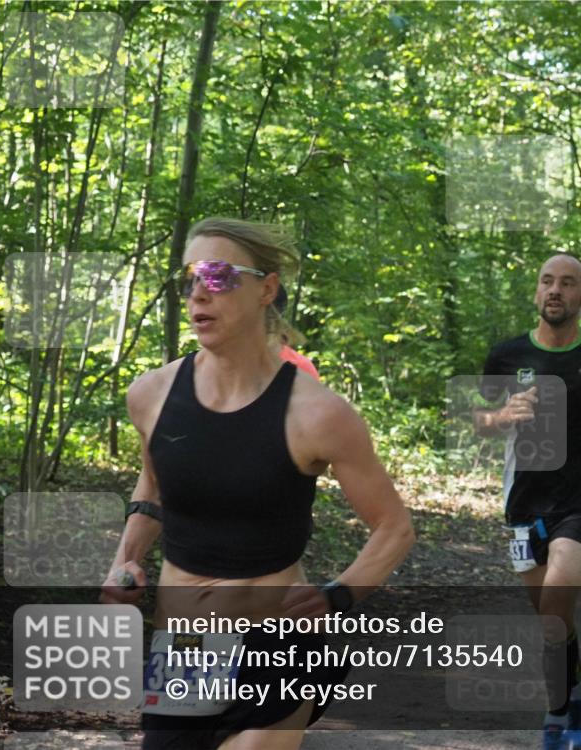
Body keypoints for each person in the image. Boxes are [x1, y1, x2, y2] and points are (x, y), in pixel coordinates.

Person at [101, 218, 414, 750]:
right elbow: (152, 489)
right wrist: (124, 559)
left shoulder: (319, 414)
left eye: (218, 276)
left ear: (266, 289)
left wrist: (339, 594)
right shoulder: (150, 396)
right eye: (190, 279)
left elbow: (394, 526)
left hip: (280, 646)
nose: (199, 292)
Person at [473, 253, 581, 750]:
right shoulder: (505, 356)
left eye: (568, 283)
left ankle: (555, 716)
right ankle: (578, 689)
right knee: (552, 622)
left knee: (554, 606)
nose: (556, 290)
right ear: (536, 292)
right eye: (547, 281)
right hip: (524, 501)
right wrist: (500, 416)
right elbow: (479, 420)